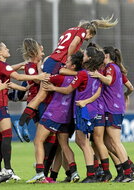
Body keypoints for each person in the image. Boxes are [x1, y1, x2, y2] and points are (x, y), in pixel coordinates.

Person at [19, 16, 118, 127]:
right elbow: (72, 45)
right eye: (90, 36)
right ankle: (22, 123)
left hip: (52, 60)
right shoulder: (82, 32)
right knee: (41, 96)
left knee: (43, 96)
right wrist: (68, 60)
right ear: (89, 31)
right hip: (56, 62)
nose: (87, 39)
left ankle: (26, 122)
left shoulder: (70, 30)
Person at [0, 42, 49, 181]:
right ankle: (8, 169)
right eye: (5, 48)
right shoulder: (1, 65)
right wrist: (37, 77)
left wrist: (23, 88)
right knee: (7, 136)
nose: (8, 49)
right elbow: (18, 76)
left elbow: (11, 74)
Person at [43, 47, 105, 183]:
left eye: (85, 54)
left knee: (83, 142)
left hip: (83, 110)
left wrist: (53, 88)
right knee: (82, 141)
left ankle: (91, 174)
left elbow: (68, 90)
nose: (83, 55)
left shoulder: (83, 74)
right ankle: (96, 171)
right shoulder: (96, 73)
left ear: (88, 58)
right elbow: (99, 91)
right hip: (93, 109)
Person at [26, 51, 84, 183]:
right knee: (64, 145)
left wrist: (41, 67)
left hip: (53, 114)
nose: (65, 63)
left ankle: (40, 173)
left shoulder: (60, 78)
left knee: (38, 141)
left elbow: (42, 78)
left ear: (73, 66)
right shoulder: (79, 79)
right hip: (67, 117)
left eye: (68, 62)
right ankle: (74, 173)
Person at [88, 46, 134, 182]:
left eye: (103, 54)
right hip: (112, 108)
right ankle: (124, 171)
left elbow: (108, 80)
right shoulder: (115, 68)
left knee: (115, 142)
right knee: (109, 143)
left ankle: (128, 173)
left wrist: (98, 75)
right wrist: (125, 95)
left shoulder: (110, 67)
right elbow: (130, 87)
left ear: (107, 55)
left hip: (113, 109)